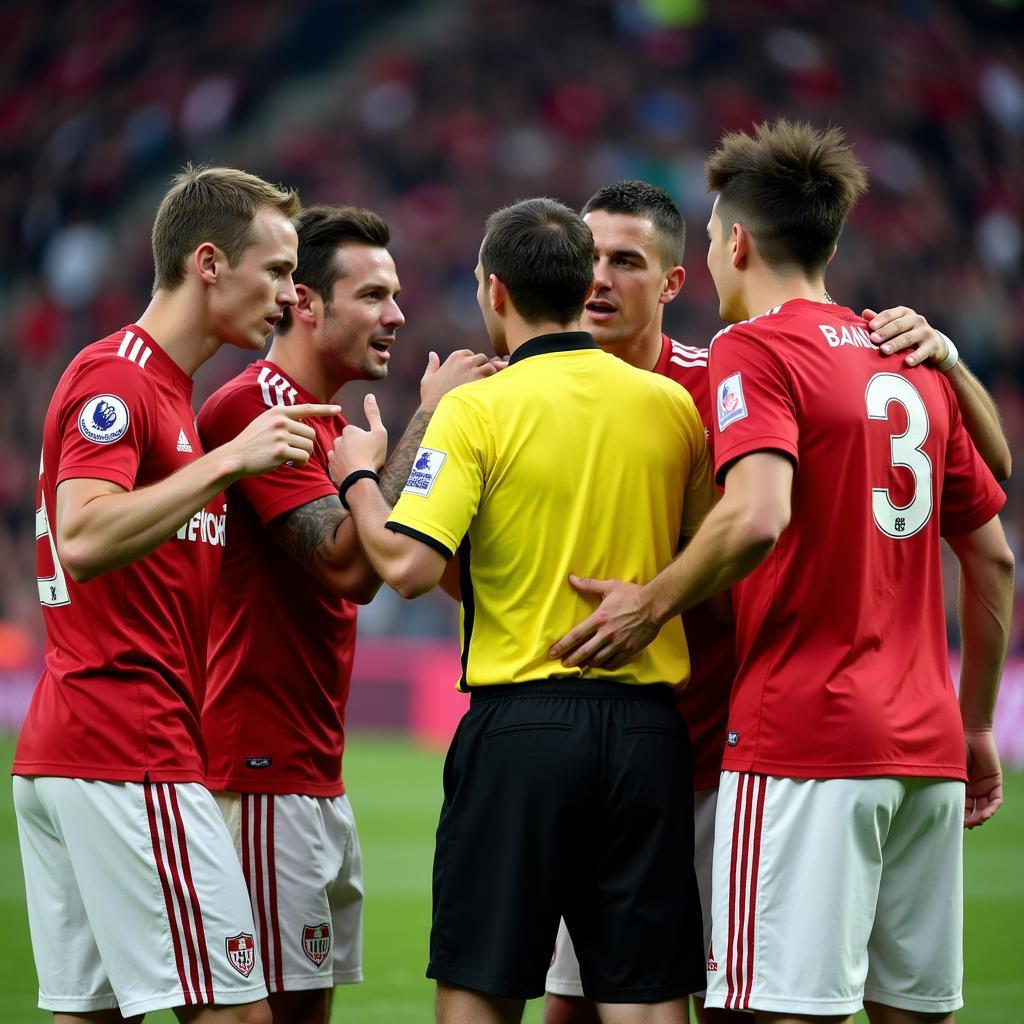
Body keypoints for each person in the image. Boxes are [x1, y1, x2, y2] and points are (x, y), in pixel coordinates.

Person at [550, 121, 1014, 1022]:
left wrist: (649, 605)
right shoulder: (908, 356)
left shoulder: (751, 348)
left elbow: (756, 516)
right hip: (927, 747)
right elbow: (993, 555)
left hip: (804, 737)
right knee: (914, 1012)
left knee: (765, 1008)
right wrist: (980, 724)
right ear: (833, 243)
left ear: (734, 243)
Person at [331, 197, 716, 1024]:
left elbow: (402, 567)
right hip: (649, 731)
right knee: (647, 999)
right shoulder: (672, 407)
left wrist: (359, 475)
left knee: (484, 987)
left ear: (494, 292)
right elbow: (699, 558)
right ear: (584, 288)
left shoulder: (476, 408)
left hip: (523, 727)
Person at [13, 166, 343, 1024]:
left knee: (88, 1014)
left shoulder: (170, 394)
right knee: (235, 1010)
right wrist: (227, 462)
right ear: (207, 262)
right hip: (128, 745)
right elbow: (82, 535)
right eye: (273, 271)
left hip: (81, 746)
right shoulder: (121, 380)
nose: (285, 295)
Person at [197, 204, 500, 1024]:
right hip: (257, 768)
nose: (397, 315)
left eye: (395, 295)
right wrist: (432, 420)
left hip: (309, 770)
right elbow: (347, 566)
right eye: (371, 295)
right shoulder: (253, 405)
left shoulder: (323, 418)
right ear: (304, 303)